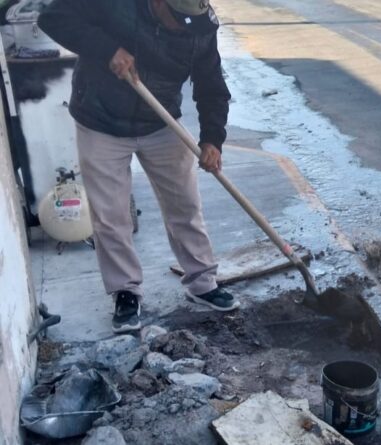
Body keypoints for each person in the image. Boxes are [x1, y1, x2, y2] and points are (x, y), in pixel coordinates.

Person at [38, 0, 240, 334]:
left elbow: (211, 87)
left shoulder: (200, 28)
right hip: (100, 121)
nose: (182, 28)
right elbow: (53, 17)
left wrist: (212, 140)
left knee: (185, 204)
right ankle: (126, 292)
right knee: (111, 216)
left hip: (161, 121)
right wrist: (107, 49)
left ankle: (202, 282)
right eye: (178, 20)